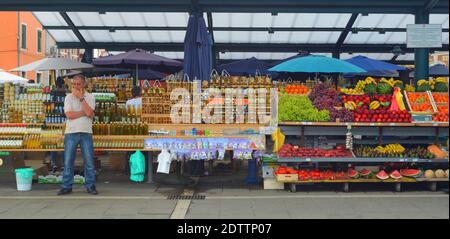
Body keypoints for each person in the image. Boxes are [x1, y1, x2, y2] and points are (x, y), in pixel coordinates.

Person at [58, 74, 97, 195]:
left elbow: (90, 113)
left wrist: (81, 98)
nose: (75, 86)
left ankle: (90, 186)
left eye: (78, 84)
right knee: (68, 161)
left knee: (89, 161)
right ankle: (66, 186)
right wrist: (84, 112)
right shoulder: (68, 97)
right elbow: (69, 115)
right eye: (73, 84)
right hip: (71, 132)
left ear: (84, 84)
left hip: (86, 132)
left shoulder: (90, 97)